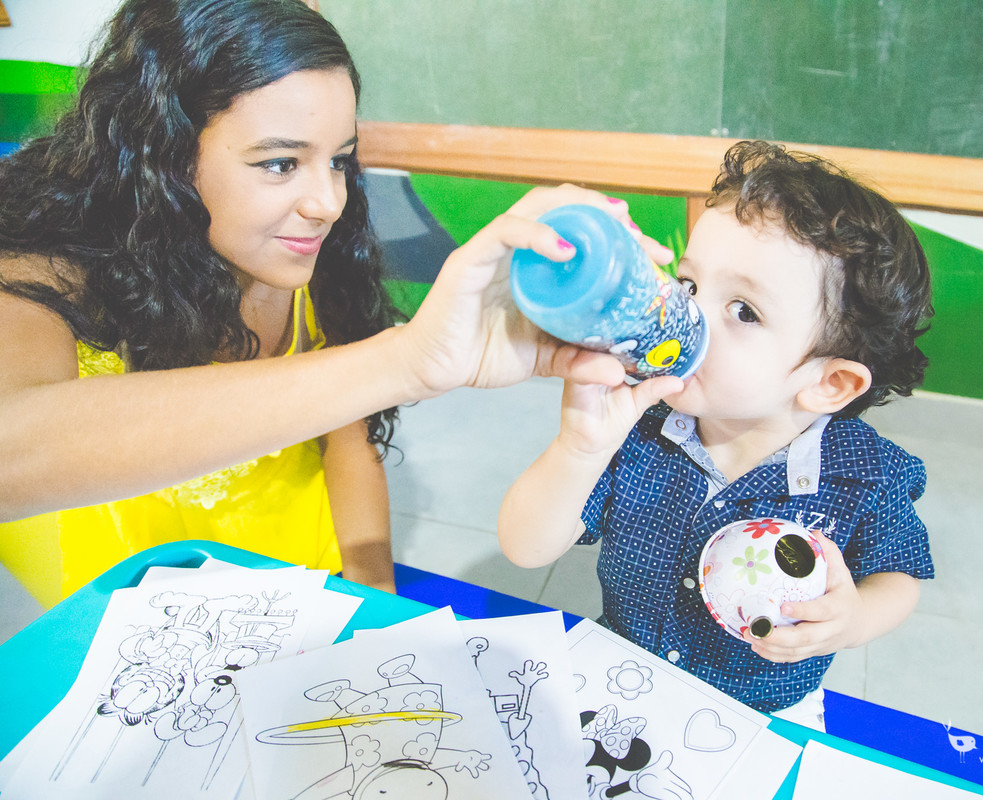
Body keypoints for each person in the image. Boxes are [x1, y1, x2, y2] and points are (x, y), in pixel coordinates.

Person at [0, 0, 667, 603]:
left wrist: (372, 591)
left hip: (293, 583)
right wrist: (405, 359)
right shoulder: (46, 266)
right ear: (162, 153)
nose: (328, 203)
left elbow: (347, 443)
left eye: (340, 160)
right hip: (115, 627)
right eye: (281, 163)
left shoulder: (305, 262)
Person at [498, 140, 935, 729]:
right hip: (624, 674)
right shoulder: (637, 434)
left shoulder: (865, 475)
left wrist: (853, 619)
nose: (690, 317)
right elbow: (526, 548)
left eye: (744, 311)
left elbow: (898, 574)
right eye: (688, 285)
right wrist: (578, 449)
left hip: (766, 710)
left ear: (829, 383)